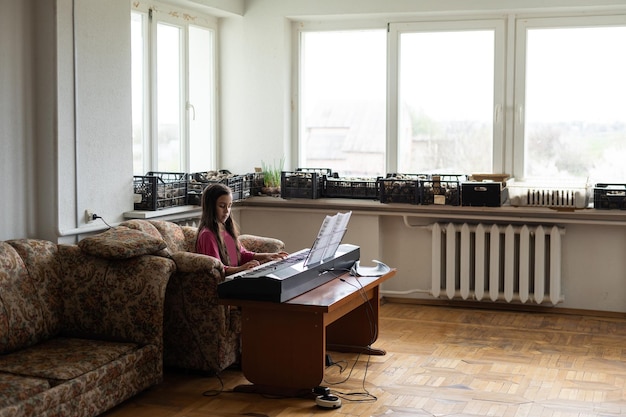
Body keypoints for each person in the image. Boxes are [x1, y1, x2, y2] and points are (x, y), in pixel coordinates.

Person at [196, 183, 288, 275]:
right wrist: (241, 269)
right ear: (210, 207)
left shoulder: (225, 229)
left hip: (236, 275)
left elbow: (240, 255)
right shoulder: (207, 235)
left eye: (229, 206)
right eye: (222, 206)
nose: (227, 211)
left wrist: (267, 256)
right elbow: (217, 268)